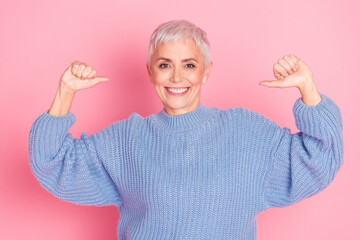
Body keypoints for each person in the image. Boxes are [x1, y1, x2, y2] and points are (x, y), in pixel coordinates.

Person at [28, 19, 344, 240]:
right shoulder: (126, 140)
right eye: (165, 64)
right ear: (150, 72)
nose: (177, 77)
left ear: (206, 72)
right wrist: (65, 92)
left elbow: (320, 158)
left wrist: (308, 90)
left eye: (189, 65)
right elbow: (51, 162)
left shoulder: (246, 132)